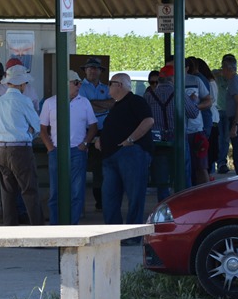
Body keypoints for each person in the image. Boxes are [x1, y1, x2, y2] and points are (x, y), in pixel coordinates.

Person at [39, 70, 98, 225]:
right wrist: (51, 148)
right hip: (57, 151)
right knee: (55, 191)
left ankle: (72, 226)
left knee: (76, 192)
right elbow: (42, 128)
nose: (79, 86)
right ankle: (55, 227)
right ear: (65, 84)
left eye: (80, 83)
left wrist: (84, 144)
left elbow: (93, 126)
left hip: (77, 151)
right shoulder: (50, 102)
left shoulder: (84, 102)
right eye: (76, 83)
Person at [96, 73, 153, 230]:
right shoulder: (116, 106)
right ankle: (113, 232)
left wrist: (131, 140)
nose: (107, 87)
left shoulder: (136, 101)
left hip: (130, 153)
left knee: (135, 195)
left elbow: (148, 120)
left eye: (110, 83)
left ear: (119, 85)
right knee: (109, 196)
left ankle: (132, 234)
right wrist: (101, 138)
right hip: (110, 156)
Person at [0, 65, 44, 226]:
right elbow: (37, 125)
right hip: (21, 149)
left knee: (7, 193)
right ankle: (38, 229)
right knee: (29, 190)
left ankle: (9, 229)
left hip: (2, 149)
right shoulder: (24, 100)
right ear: (21, 83)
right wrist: (29, 131)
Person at [144, 64, 197, 200]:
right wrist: (194, 101)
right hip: (178, 139)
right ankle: (185, 203)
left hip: (157, 141)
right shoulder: (180, 94)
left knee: (162, 178)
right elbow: (193, 113)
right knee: (183, 174)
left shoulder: (149, 96)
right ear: (173, 78)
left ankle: (164, 205)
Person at [79, 57, 112, 210]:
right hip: (85, 131)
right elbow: (85, 106)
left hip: (104, 130)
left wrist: (92, 103)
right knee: (85, 165)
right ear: (85, 70)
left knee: (101, 166)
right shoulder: (80, 87)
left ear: (100, 71)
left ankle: (101, 200)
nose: (92, 71)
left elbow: (113, 103)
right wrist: (104, 105)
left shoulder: (106, 87)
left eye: (95, 68)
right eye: (90, 68)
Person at [185, 58, 211, 185]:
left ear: (186, 68)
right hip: (176, 131)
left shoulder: (196, 80)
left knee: (201, 165)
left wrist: (194, 107)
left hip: (195, 129)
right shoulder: (166, 83)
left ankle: (206, 192)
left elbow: (208, 100)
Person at [213, 55, 237, 174]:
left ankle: (222, 162)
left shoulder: (233, 78)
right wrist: (219, 73)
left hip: (228, 111)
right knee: (219, 138)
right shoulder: (216, 74)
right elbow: (210, 75)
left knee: (225, 138)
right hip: (218, 110)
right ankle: (219, 162)